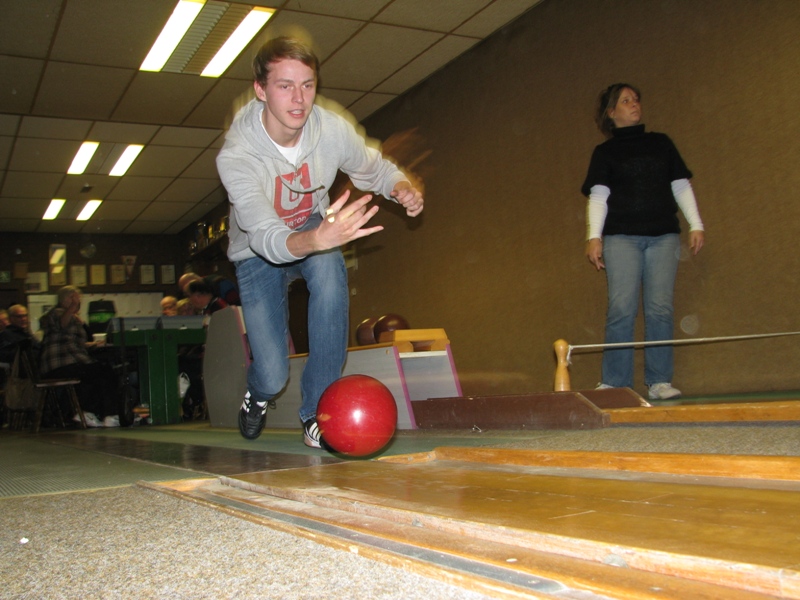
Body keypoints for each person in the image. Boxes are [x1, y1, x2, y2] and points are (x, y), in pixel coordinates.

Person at [216, 37, 424, 447]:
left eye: (307, 85)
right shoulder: (236, 156)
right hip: (257, 251)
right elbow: (267, 238)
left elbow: (374, 167)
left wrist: (400, 186)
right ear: (261, 90)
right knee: (273, 373)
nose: (299, 99)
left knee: (329, 267)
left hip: (311, 221)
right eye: (285, 86)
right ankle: (257, 393)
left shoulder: (330, 129)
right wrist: (317, 237)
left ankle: (317, 412)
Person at [581, 83, 705, 401]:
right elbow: (599, 197)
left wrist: (696, 224)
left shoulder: (660, 143)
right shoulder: (605, 153)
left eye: (636, 99)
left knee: (660, 309)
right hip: (621, 238)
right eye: (626, 101)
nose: (634, 104)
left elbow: (680, 185)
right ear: (611, 112)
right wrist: (594, 237)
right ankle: (615, 382)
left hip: (663, 237)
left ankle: (659, 381)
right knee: (621, 308)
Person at [39, 286, 121, 427]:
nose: (77, 301)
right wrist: (73, 307)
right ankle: (108, 414)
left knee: (97, 372)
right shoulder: (55, 313)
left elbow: (74, 342)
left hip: (72, 362)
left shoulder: (74, 318)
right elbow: (62, 325)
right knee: (104, 372)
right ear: (64, 299)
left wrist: (94, 344)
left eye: (78, 299)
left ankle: (90, 413)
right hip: (61, 363)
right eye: (73, 298)